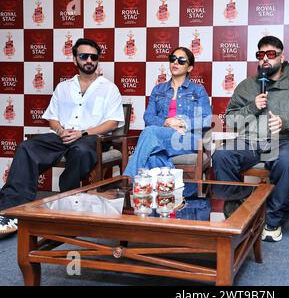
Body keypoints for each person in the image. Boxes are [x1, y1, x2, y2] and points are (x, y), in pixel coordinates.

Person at [0, 38, 124, 237]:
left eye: (94, 57)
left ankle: (65, 202)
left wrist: (82, 133)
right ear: (75, 59)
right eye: (84, 56)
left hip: (90, 137)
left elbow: (113, 122)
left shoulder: (109, 89)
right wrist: (60, 131)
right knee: (27, 147)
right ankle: (12, 211)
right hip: (61, 136)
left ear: (98, 60)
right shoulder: (63, 88)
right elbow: (53, 118)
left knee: (81, 150)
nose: (89, 60)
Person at [213, 35, 289, 242]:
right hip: (249, 140)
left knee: (286, 161)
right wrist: (253, 107)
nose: (265, 59)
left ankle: (272, 221)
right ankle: (240, 210)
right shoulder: (246, 86)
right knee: (221, 155)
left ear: (282, 57)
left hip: (282, 140)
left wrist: (285, 122)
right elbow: (231, 119)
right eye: (261, 55)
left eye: (271, 54)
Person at [123, 47, 211, 177]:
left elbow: (206, 119)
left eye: (181, 61)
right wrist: (166, 123)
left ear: (189, 68)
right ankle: (174, 191)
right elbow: (148, 117)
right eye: (173, 59)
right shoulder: (158, 89)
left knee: (150, 132)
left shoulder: (197, 90)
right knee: (154, 156)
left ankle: (128, 181)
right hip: (162, 136)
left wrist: (181, 122)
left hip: (187, 138)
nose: (175, 62)